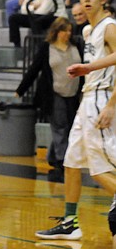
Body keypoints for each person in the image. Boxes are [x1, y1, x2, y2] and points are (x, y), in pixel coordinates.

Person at [36, 0, 116, 243]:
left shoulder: (109, 27)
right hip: (87, 100)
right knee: (70, 162)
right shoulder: (86, 31)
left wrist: (111, 106)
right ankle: (70, 223)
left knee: (98, 169)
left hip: (102, 99)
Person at [14, 17, 81, 177]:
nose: (68, 34)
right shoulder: (47, 48)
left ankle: (52, 155)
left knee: (70, 126)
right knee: (60, 125)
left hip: (73, 93)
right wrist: (20, 90)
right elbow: (34, 69)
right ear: (57, 31)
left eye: (70, 31)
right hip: (53, 93)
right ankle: (62, 159)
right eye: (65, 30)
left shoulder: (76, 46)